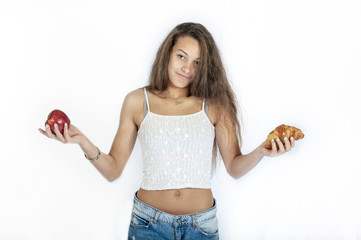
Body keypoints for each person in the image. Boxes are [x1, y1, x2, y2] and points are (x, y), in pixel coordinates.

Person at [39, 22, 296, 240]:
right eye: (181, 56)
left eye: (197, 62)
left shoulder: (215, 105)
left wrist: (262, 152)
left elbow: (235, 168)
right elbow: (113, 170)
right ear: (168, 54)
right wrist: (83, 141)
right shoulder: (137, 101)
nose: (187, 68)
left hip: (202, 227)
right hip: (148, 225)